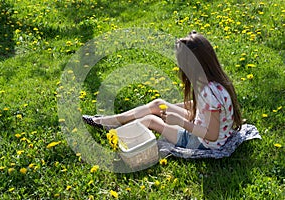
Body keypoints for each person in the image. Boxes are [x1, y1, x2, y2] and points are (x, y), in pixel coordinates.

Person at [83, 31, 242, 150]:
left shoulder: (208, 92)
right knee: (159, 104)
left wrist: (180, 122)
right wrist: (178, 108)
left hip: (203, 143)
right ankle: (110, 121)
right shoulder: (216, 82)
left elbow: (211, 135)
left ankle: (115, 137)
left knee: (151, 120)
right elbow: (206, 109)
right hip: (203, 126)